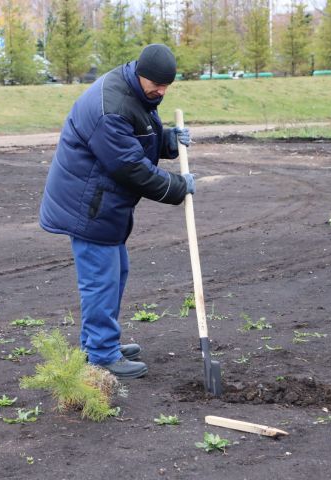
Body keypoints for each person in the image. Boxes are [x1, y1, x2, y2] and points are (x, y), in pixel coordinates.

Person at [39, 44, 194, 379]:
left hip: (100, 202)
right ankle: (101, 354)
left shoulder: (133, 91)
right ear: (141, 74)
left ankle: (97, 343)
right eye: (157, 85)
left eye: (167, 86)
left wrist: (167, 140)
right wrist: (178, 187)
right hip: (88, 205)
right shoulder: (112, 106)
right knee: (101, 280)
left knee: (115, 272)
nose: (162, 92)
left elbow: (137, 135)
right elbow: (129, 167)